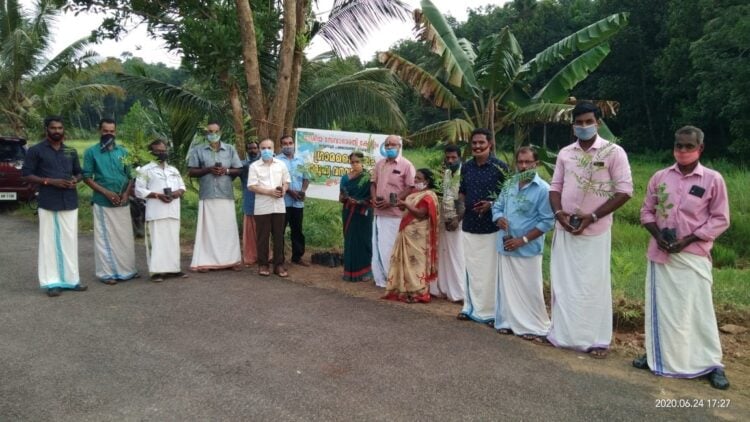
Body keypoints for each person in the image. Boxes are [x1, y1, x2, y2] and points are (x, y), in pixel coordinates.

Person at [634, 126, 731, 389]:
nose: (683, 151)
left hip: (693, 255)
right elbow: (646, 212)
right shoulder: (660, 177)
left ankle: (711, 364)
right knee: (661, 309)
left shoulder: (712, 179)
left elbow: (720, 219)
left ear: (700, 148)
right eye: (679, 146)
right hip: (662, 254)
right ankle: (656, 355)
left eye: (689, 146)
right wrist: (659, 236)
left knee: (698, 310)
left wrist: (687, 239)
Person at [548, 102, 633, 358]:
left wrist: (593, 216)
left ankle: (596, 339)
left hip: (595, 230)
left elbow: (625, 191)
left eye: (588, 121)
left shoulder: (612, 152)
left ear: (598, 122)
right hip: (565, 228)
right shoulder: (565, 153)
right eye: (579, 122)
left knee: (592, 284)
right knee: (564, 282)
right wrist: (559, 214)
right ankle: (563, 334)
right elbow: (555, 187)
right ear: (573, 125)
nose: (583, 126)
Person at [491, 147, 554, 340]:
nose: (524, 166)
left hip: (528, 249)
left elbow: (547, 221)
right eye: (520, 162)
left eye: (528, 162)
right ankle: (506, 322)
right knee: (507, 288)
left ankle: (531, 326)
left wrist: (523, 240)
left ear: (536, 164)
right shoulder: (510, 183)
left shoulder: (543, 189)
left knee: (529, 289)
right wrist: (499, 218)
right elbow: (497, 206)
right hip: (506, 244)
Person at [21, 116, 87, 297]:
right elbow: (26, 175)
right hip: (49, 201)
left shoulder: (70, 151)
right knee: (49, 243)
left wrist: (75, 180)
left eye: (60, 128)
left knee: (70, 241)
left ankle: (72, 280)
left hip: (69, 201)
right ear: (46, 129)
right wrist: (50, 181)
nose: (57, 131)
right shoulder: (36, 150)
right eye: (53, 128)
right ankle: (52, 282)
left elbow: (79, 173)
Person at [457, 128, 508, 323]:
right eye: (474, 143)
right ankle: (469, 307)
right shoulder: (467, 166)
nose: (477, 146)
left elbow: (508, 196)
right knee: (470, 268)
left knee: (489, 270)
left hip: (491, 227)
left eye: (481, 143)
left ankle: (489, 311)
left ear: (490, 145)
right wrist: (459, 210)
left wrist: (491, 205)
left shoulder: (500, 167)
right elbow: (462, 191)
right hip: (470, 224)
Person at [82, 118, 138, 284]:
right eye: (105, 131)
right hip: (102, 201)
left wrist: (127, 194)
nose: (109, 134)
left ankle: (127, 270)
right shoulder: (91, 152)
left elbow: (131, 176)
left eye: (112, 131)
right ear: (100, 131)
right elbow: (86, 177)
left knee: (124, 238)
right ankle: (107, 274)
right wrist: (106, 193)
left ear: (116, 132)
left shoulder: (123, 152)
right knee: (104, 238)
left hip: (122, 201)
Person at [187, 121, 243, 272]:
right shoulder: (198, 150)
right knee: (208, 230)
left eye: (215, 131)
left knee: (227, 228)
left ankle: (231, 260)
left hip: (225, 194)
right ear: (206, 134)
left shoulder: (230, 149)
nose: (213, 134)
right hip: (208, 193)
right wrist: (208, 169)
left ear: (221, 132)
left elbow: (238, 170)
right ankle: (206, 261)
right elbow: (191, 171)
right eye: (210, 132)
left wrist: (226, 171)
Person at [382, 169, 439, 303]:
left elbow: (421, 213)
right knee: (403, 261)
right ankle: (403, 290)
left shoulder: (429, 196)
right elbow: (405, 209)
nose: (416, 181)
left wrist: (406, 204)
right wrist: (400, 204)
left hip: (418, 235)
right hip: (406, 232)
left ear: (427, 181)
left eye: (419, 179)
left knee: (416, 263)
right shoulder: (414, 193)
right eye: (415, 178)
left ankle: (418, 293)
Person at [134, 140, 188, 282]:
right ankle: (157, 272)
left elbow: (182, 187)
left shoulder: (173, 170)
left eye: (163, 150)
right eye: (157, 151)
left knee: (172, 241)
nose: (161, 153)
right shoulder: (145, 170)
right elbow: (139, 190)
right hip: (156, 211)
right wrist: (157, 195)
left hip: (173, 210)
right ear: (150, 153)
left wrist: (176, 194)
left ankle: (174, 269)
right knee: (157, 242)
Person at [370, 135, 416, 288]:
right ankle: (382, 278)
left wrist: (392, 202)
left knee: (391, 247)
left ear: (399, 147)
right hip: (378, 213)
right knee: (378, 247)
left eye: (393, 145)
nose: (389, 147)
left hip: (395, 215)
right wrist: (374, 198)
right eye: (387, 144)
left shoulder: (406, 165)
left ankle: (395, 279)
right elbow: (373, 183)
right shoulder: (380, 164)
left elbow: (410, 187)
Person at [247, 138, 291, 277]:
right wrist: (270, 192)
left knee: (279, 236)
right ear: (260, 150)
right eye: (263, 148)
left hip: (279, 206)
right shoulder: (254, 166)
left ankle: (278, 265)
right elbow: (251, 186)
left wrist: (283, 190)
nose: (266, 150)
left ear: (274, 149)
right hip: (262, 206)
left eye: (269, 148)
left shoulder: (281, 165)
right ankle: (263, 265)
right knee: (262, 237)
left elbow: (286, 181)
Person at [431, 144, 465, 302]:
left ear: (460, 157)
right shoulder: (446, 172)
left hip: (459, 221)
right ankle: (444, 287)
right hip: (445, 218)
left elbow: (465, 199)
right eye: (448, 157)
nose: (450, 160)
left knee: (457, 255)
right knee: (444, 254)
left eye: (454, 158)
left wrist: (457, 219)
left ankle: (459, 292)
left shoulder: (464, 172)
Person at [339, 151, 373, 281]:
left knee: (364, 241)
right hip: (349, 212)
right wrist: (345, 197)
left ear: (362, 162)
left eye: (357, 162)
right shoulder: (345, 178)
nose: (355, 164)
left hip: (363, 213)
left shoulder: (368, 177)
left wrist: (359, 201)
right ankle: (350, 271)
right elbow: (341, 198)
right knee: (350, 241)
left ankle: (366, 271)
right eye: (352, 162)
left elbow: (371, 197)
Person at [277, 135, 310, 266]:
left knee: (297, 230)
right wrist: (290, 191)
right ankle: (280, 258)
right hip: (283, 202)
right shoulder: (277, 161)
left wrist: (302, 191)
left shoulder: (301, 160)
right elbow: (277, 179)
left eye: (290, 143)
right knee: (280, 230)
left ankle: (297, 257)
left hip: (298, 203)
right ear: (281, 146)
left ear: (294, 144)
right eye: (285, 144)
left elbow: (306, 178)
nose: (288, 146)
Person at [239, 141, 260, 266]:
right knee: (249, 232)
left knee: (263, 231)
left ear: (259, 149)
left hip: (263, 201)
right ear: (247, 150)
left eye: (255, 148)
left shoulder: (264, 164)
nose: (253, 150)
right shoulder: (243, 165)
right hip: (249, 201)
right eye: (250, 148)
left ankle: (264, 255)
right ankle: (250, 256)